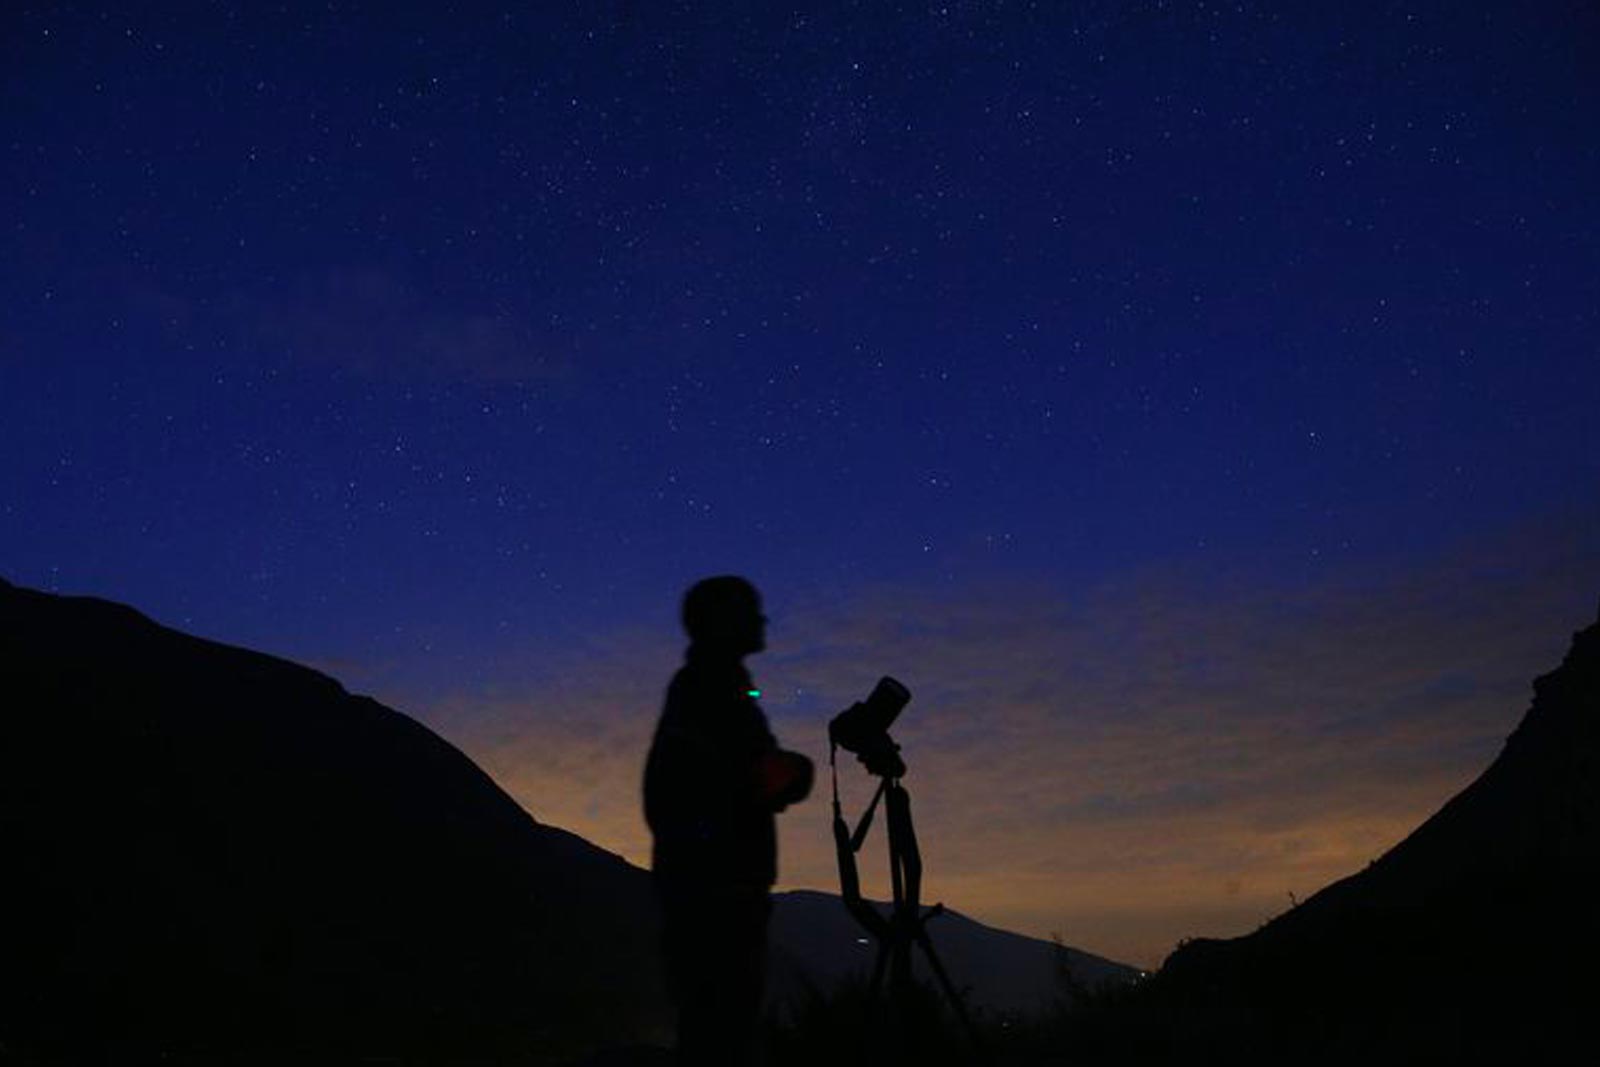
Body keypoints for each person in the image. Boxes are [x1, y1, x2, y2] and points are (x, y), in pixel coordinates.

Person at [643, 576, 814, 1066]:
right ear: (721, 621)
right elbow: (727, 780)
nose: (762, 619)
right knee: (720, 1028)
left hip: (714, 889)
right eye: (749, 610)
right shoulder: (710, 690)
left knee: (717, 1025)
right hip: (716, 894)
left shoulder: (716, 688)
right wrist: (792, 772)